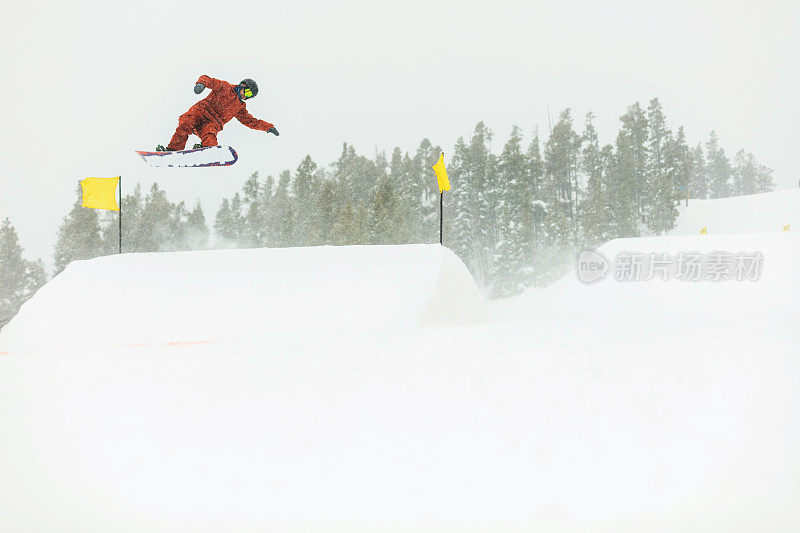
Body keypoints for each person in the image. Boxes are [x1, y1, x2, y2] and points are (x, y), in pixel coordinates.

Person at [157, 76, 279, 151]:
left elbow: (251, 122)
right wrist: (201, 84)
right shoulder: (225, 87)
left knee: (210, 135)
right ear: (242, 85)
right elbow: (209, 80)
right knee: (187, 123)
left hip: (212, 123)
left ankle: (207, 151)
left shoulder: (240, 107)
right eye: (247, 92)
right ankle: (173, 149)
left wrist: (268, 127)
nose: (245, 96)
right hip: (200, 112)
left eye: (249, 96)